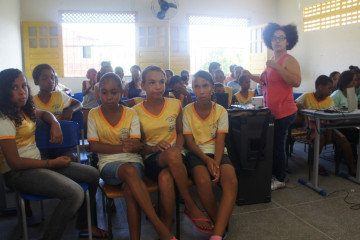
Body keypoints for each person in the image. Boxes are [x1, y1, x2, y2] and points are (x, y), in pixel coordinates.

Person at [0, 68, 104, 240]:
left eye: (23, 86)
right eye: (14, 88)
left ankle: (83, 222)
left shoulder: (24, 110)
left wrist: (55, 122)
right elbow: (15, 163)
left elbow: (45, 113)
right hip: (18, 173)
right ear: (4, 91)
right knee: (75, 193)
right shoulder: (4, 119)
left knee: (92, 174)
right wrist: (51, 163)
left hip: (39, 163)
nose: (22, 91)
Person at [87, 72, 177, 240]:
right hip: (108, 165)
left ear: (121, 92)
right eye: (104, 92)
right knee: (128, 171)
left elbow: (134, 146)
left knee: (130, 190)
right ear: (99, 93)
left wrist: (119, 147)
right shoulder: (93, 114)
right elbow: (94, 146)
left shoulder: (131, 113)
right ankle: (160, 228)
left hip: (135, 162)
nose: (108, 96)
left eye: (114, 92)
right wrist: (123, 147)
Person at [133, 66, 213, 233]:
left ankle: (166, 230)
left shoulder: (175, 104)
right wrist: (154, 148)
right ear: (143, 85)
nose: (158, 86)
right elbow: (138, 147)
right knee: (168, 160)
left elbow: (180, 132)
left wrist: (177, 149)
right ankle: (190, 204)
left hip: (177, 156)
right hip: (152, 158)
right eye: (152, 82)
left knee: (166, 179)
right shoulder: (135, 111)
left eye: (161, 82)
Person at [245, 23, 301, 190]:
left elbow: (296, 82)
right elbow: (265, 82)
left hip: (285, 111)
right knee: (273, 144)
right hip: (271, 111)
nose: (277, 41)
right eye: (274, 38)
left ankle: (280, 179)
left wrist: (276, 67)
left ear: (288, 41)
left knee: (278, 145)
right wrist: (249, 75)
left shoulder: (289, 60)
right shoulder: (273, 60)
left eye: (281, 38)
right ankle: (273, 174)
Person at [183, 70, 238, 240]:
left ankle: (216, 234)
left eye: (205, 86)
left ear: (212, 87)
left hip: (217, 153)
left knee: (231, 181)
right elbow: (190, 143)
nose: (201, 91)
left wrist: (216, 163)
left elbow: (220, 141)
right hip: (196, 153)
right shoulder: (187, 111)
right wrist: (207, 160)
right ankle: (220, 223)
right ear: (193, 89)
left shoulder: (220, 111)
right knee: (202, 180)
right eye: (197, 87)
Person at [296, 75, 356, 177]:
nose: (330, 91)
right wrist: (300, 107)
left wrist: (329, 132)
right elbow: (295, 103)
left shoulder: (329, 100)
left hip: (328, 127)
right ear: (320, 87)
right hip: (312, 128)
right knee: (321, 138)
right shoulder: (307, 96)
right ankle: (314, 164)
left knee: (343, 140)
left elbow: (331, 118)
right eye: (329, 88)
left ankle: (352, 169)